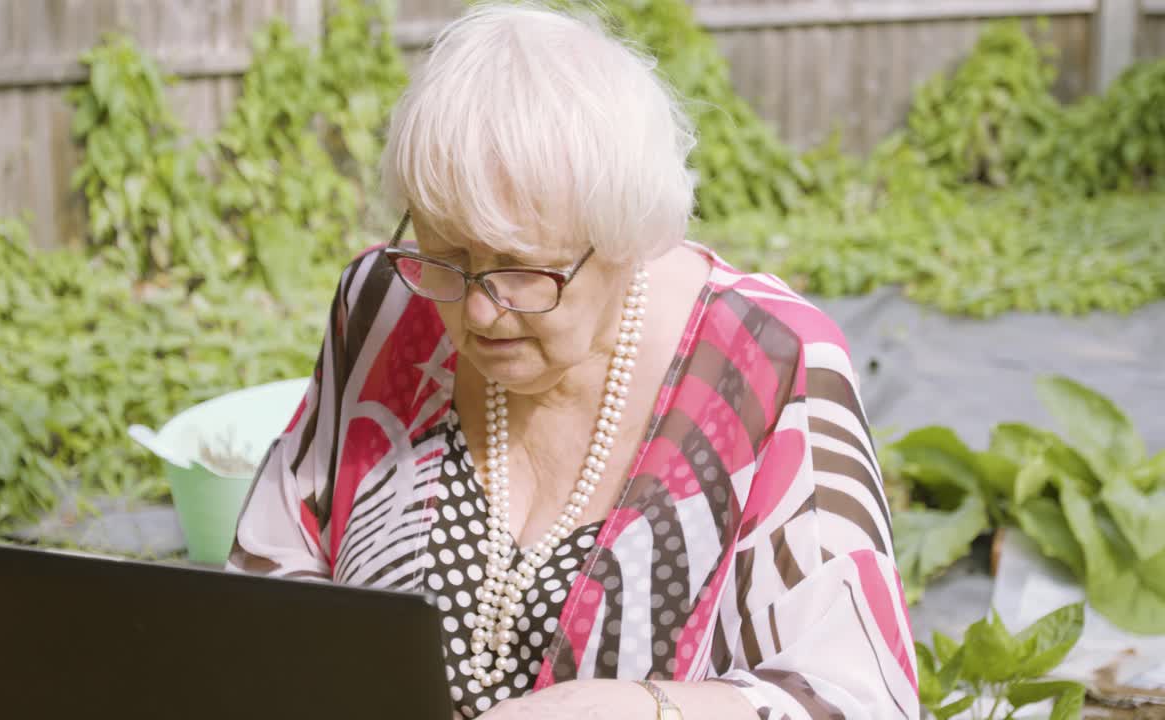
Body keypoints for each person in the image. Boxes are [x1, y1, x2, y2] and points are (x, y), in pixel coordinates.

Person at [226, 3, 918, 719]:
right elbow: (269, 571)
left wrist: (642, 710)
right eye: (448, 253)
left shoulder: (774, 367)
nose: (480, 310)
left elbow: (857, 700)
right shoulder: (387, 303)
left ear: (627, 237)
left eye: (523, 270)